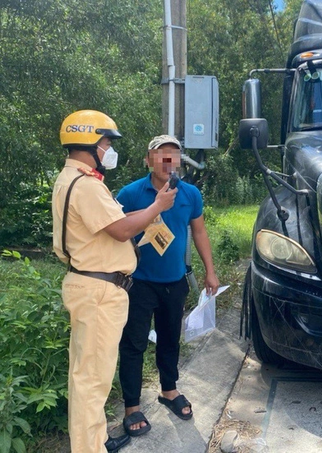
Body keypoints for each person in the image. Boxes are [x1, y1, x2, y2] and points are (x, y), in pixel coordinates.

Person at [52, 110, 178, 453]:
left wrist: (147, 216)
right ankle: (89, 447)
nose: (109, 147)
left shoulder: (74, 179)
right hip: (98, 291)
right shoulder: (87, 186)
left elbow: (117, 222)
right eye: (106, 141)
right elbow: (122, 228)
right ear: (90, 143)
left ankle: (94, 439)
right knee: (92, 380)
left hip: (92, 286)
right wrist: (158, 206)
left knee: (90, 375)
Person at [117, 134, 219, 437]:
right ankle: (132, 407)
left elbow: (199, 233)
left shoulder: (190, 194)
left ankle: (169, 391)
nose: (167, 160)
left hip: (175, 282)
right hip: (138, 283)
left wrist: (210, 272)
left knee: (169, 340)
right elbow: (115, 232)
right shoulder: (131, 193)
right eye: (161, 154)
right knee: (133, 344)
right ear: (149, 159)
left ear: (179, 161)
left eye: (174, 155)